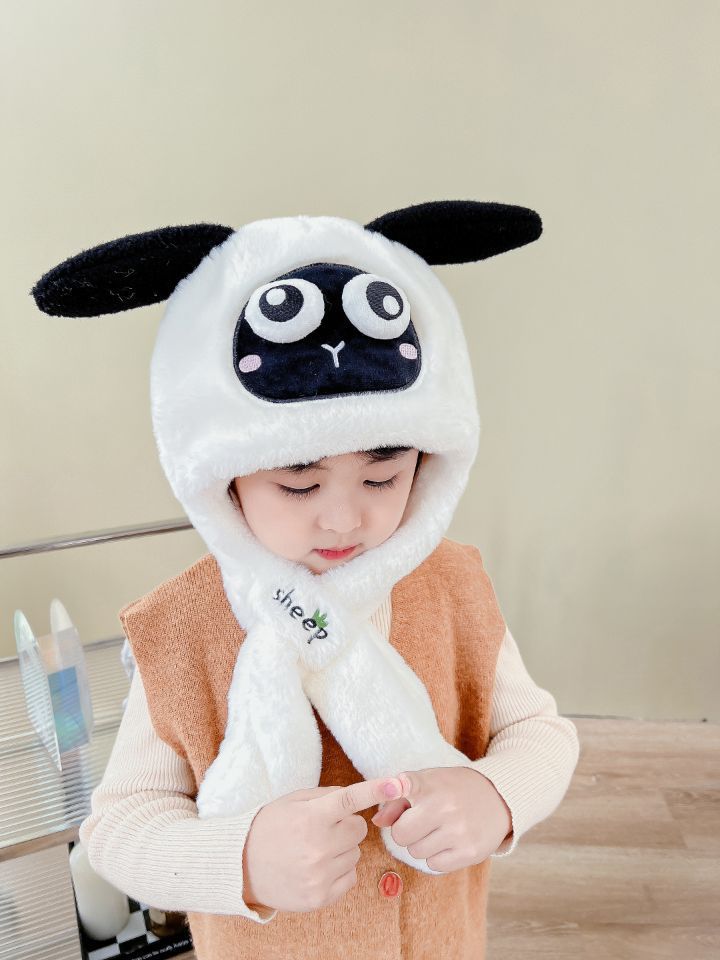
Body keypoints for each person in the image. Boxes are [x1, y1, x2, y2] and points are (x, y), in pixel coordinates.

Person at [33, 200, 580, 959]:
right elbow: (121, 826)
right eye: (298, 486)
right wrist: (241, 859)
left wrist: (498, 796)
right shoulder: (178, 628)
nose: (343, 519)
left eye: (383, 477)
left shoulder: (453, 584)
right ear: (223, 481)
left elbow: (540, 733)